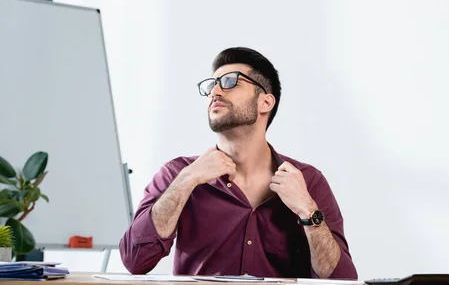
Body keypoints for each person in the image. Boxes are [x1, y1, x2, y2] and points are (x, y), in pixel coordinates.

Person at [119, 47, 357, 279]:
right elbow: (135, 260)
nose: (216, 92)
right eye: (213, 85)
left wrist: (307, 209)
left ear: (265, 102)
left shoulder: (307, 181)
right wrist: (187, 181)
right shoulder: (178, 173)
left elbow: (341, 280)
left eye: (231, 81)